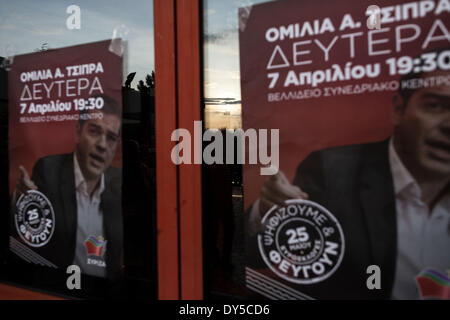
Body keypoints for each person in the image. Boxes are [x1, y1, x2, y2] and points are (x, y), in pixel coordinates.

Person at [250, 64, 450, 299]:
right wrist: (267, 212)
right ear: (398, 109)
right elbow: (257, 254)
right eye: (435, 106)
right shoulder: (333, 170)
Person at [12, 94, 123, 279]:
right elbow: (22, 230)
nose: (103, 145)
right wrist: (23, 199)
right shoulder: (49, 171)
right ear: (78, 132)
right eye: (94, 131)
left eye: (111, 138)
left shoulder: (118, 181)